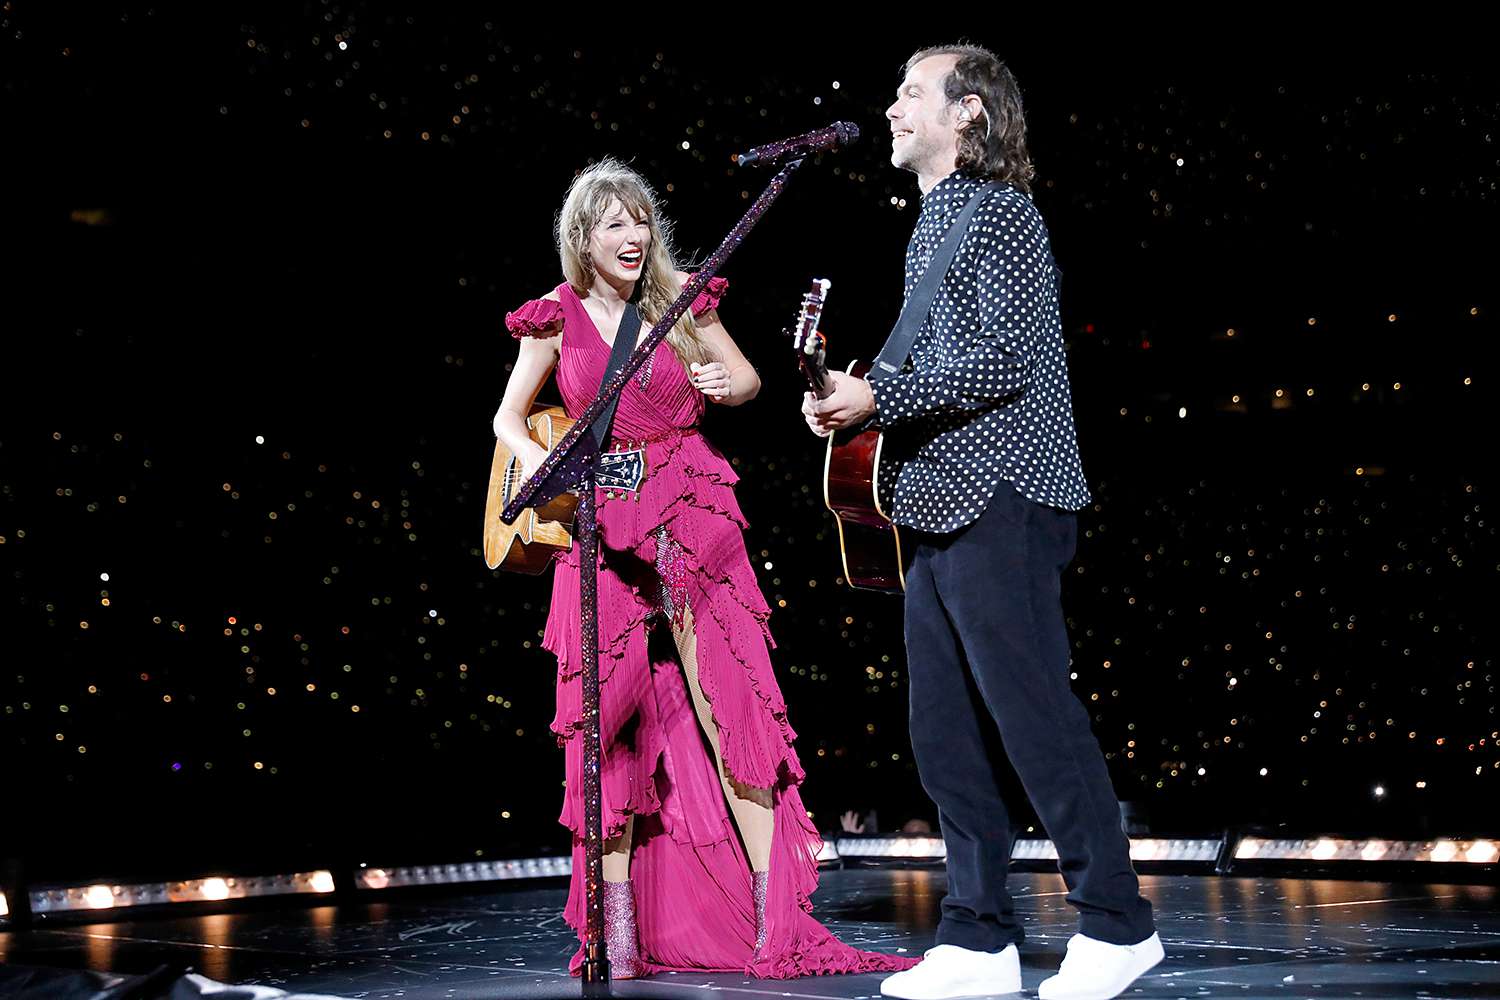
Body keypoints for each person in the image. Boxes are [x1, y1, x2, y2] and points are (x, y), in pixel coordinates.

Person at [495, 158, 916, 980]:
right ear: (582, 237)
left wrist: (730, 381)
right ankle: (613, 937)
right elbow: (509, 418)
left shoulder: (681, 295)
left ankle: (776, 925)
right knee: (603, 726)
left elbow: (751, 380)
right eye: (613, 222)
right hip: (599, 520)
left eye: (640, 220)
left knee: (735, 708)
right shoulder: (555, 316)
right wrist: (547, 465)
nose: (632, 235)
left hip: (692, 509)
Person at [803, 45, 1164, 1000]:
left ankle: (1120, 924)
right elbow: (924, 370)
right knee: (943, 731)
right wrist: (854, 394)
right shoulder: (933, 228)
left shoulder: (1001, 215)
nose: (890, 109)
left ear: (967, 114)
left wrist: (880, 394)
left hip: (1005, 492)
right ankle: (976, 937)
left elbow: (1005, 361)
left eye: (909, 93)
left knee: (1034, 716)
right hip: (933, 501)